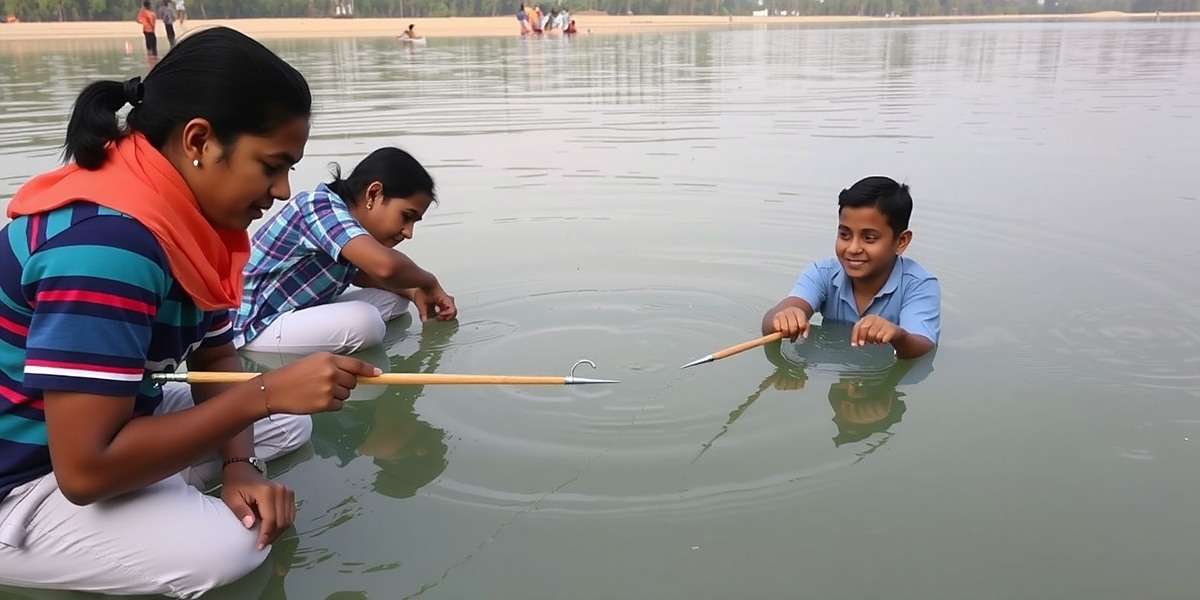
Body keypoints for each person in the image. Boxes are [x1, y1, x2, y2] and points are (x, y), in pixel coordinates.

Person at [0, 27, 379, 598]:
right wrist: (265, 392)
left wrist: (238, 466)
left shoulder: (192, 223)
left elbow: (217, 352)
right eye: (271, 165)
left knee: (284, 427)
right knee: (230, 549)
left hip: (100, 423)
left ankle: (160, 487)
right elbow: (82, 472)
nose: (281, 191)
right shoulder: (108, 245)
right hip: (25, 475)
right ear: (198, 140)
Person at [234, 148, 458, 356]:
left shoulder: (350, 226)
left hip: (295, 312)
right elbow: (386, 267)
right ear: (374, 194)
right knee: (366, 323)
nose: (408, 232)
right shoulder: (318, 206)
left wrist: (414, 292)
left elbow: (361, 274)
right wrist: (429, 283)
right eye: (406, 216)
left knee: (397, 299)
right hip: (254, 326)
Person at [761, 176, 940, 359]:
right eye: (845, 235)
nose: (853, 248)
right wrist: (785, 317)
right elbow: (771, 322)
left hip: (879, 376)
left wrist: (897, 335)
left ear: (901, 241)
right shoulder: (822, 273)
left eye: (869, 238)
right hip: (833, 366)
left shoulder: (919, 285)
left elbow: (923, 346)